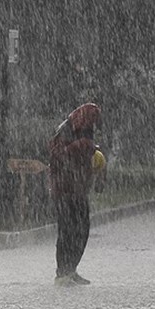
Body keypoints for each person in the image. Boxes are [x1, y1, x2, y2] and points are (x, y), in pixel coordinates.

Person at [48, 103, 105, 286]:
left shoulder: (85, 132)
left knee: (82, 230)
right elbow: (58, 157)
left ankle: (71, 269)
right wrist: (82, 147)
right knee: (67, 230)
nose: (93, 126)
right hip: (64, 191)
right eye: (92, 121)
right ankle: (62, 273)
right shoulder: (65, 132)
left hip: (79, 190)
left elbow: (87, 157)